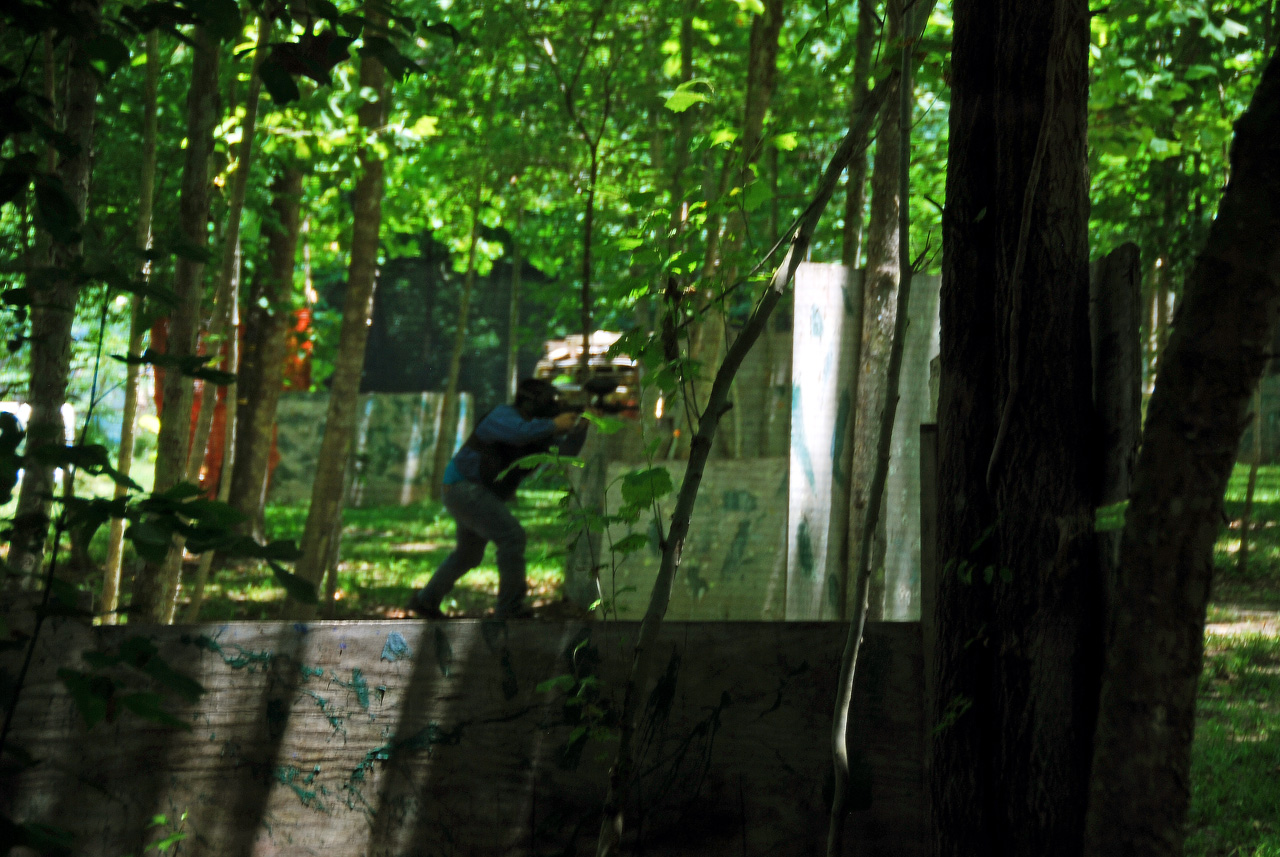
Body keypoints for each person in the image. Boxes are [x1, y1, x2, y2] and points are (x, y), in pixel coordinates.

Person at [408, 378, 590, 619]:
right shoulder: (503, 416)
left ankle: (425, 602)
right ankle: (509, 610)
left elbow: (564, 454)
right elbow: (519, 433)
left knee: (468, 554)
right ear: (530, 402)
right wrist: (554, 425)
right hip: (463, 487)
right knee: (512, 537)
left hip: (471, 491)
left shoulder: (540, 428)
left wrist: (582, 426)